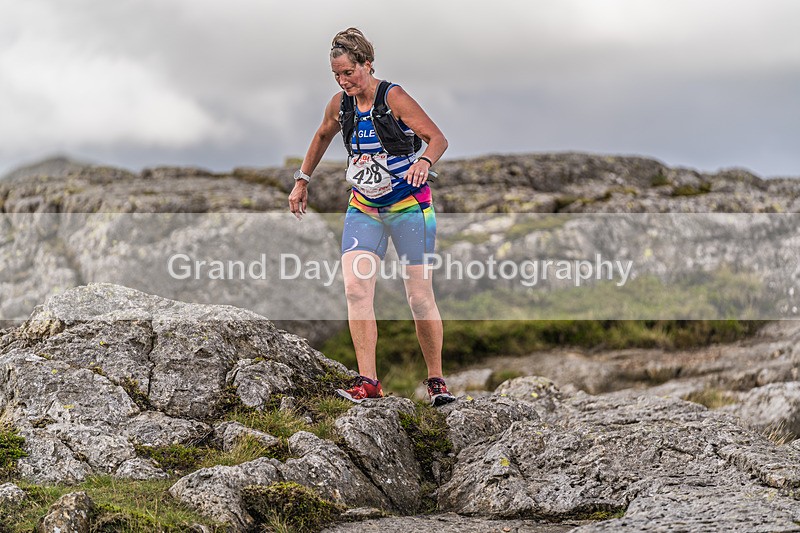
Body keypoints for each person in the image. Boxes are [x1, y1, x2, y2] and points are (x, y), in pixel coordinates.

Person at [288, 27, 456, 406]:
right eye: (337, 76)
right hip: (364, 207)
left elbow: (438, 138)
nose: (344, 81)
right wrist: (302, 180)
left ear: (367, 64)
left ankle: (436, 382)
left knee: (418, 297)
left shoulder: (392, 96)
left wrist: (424, 161)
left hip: (410, 207)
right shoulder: (340, 104)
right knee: (356, 289)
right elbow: (321, 136)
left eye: (349, 73)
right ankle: (368, 382)